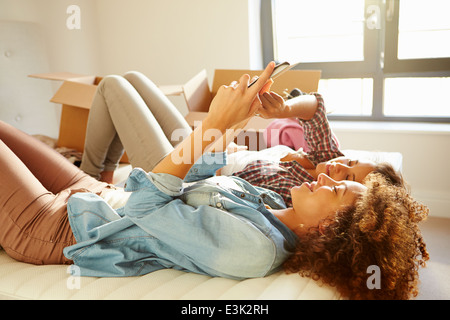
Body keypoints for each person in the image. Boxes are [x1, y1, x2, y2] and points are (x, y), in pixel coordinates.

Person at [0, 62, 428, 299]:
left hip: (59, 228)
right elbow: (200, 175)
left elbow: (144, 205)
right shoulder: (269, 204)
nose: (330, 174)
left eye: (338, 188)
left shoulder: (255, 250)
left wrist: (212, 129)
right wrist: (229, 124)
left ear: (327, 229)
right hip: (96, 196)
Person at [79, 68, 402, 207]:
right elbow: (317, 105)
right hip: (208, 149)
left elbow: (218, 189)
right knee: (133, 79)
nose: (338, 169)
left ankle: (90, 178)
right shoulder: (325, 158)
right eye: (351, 162)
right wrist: (282, 110)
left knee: (112, 86)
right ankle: (105, 175)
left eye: (346, 178)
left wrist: (227, 129)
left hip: (182, 172)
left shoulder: (301, 196)